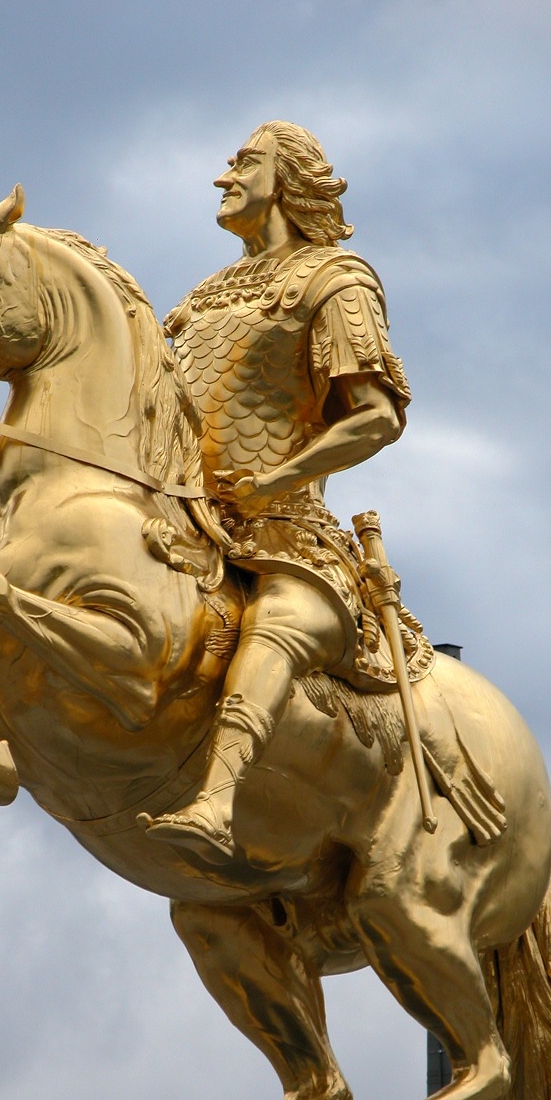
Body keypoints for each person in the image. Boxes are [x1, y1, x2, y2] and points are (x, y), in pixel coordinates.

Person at [143, 121, 413, 864]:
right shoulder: (203, 296)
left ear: (286, 180)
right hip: (187, 520)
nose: (224, 176)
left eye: (244, 162)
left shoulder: (334, 279)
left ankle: (217, 801)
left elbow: (377, 416)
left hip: (286, 530)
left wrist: (277, 478)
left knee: (277, 624)